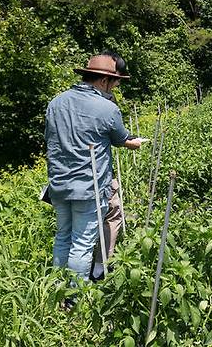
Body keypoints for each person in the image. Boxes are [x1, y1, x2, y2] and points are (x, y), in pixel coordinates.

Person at [45, 52, 143, 284]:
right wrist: (135, 143)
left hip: (59, 183)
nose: (114, 89)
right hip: (89, 186)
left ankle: (56, 289)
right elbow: (121, 138)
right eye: (114, 84)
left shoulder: (56, 102)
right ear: (103, 80)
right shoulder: (106, 108)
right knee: (82, 243)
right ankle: (74, 297)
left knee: (62, 238)